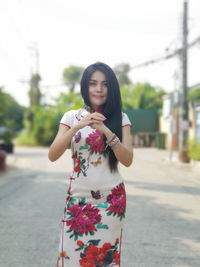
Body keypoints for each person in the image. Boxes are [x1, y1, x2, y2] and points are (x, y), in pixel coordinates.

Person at [48, 62, 133, 267]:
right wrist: (79, 125)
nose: (98, 89)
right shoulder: (71, 117)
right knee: (70, 258)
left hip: (111, 201)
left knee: (104, 261)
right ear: (85, 87)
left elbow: (127, 159)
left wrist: (105, 130)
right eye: (93, 83)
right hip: (78, 200)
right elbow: (53, 154)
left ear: (110, 88)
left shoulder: (121, 118)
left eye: (104, 84)